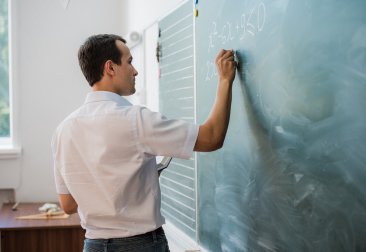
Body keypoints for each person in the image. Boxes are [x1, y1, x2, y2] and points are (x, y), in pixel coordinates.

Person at [51, 34, 236, 252]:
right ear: (110, 67)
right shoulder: (135, 119)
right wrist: (225, 80)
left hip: (93, 245)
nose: (135, 70)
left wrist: (124, 182)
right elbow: (212, 137)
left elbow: (68, 204)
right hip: (139, 245)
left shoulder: (63, 130)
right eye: (129, 61)